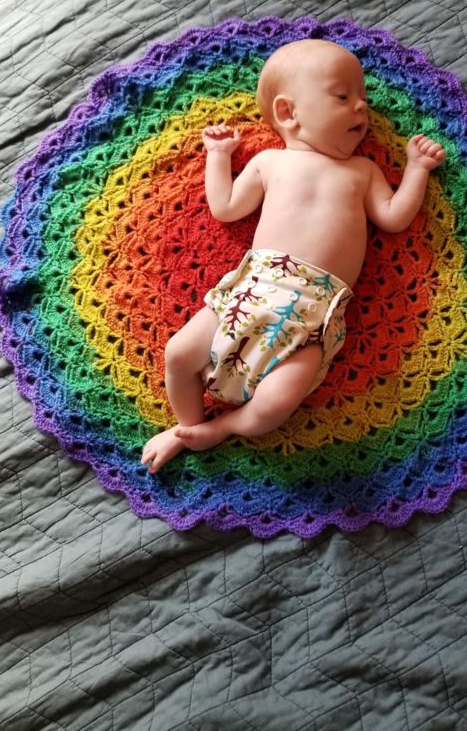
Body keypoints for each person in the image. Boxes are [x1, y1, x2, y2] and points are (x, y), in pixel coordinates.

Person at [141, 38, 445, 473]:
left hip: (313, 315)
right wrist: (219, 156)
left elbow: (394, 217)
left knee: (276, 404)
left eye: (363, 97)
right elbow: (225, 207)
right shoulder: (270, 162)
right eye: (342, 96)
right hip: (252, 290)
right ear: (288, 113)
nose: (362, 106)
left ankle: (223, 427)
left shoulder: (364, 172)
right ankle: (186, 427)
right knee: (178, 354)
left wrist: (415, 170)